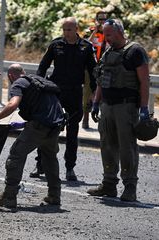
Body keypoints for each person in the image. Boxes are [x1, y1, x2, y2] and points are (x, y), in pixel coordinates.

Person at [87, 19, 150, 202]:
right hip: (107, 106)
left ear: (119, 33)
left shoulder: (135, 51)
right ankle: (109, 184)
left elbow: (144, 81)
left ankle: (130, 187)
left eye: (108, 34)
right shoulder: (108, 51)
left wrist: (144, 109)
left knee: (127, 148)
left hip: (126, 106)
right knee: (107, 145)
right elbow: (101, 80)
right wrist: (96, 103)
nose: (105, 38)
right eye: (104, 34)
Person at [0, 64, 64, 208]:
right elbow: (43, 106)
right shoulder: (38, 81)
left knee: (16, 155)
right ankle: (54, 195)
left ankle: (8, 197)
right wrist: (23, 124)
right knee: (49, 157)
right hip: (55, 125)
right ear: (24, 72)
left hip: (40, 126)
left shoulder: (18, 83)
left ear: (10, 76)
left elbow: (13, 104)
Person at [34, 17, 97, 181]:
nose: (66, 33)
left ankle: (70, 168)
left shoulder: (86, 47)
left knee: (72, 130)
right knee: (47, 127)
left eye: (69, 29)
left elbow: (93, 72)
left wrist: (94, 93)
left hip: (75, 92)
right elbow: (43, 66)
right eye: (64, 30)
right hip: (55, 91)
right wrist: (39, 85)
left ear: (76, 29)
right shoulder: (55, 45)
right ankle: (40, 164)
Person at [82, 11, 108, 129]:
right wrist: (95, 31)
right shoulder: (90, 30)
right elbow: (85, 44)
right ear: (96, 19)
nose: (102, 22)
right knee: (87, 94)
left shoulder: (110, 31)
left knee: (104, 94)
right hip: (90, 67)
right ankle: (85, 120)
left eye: (104, 19)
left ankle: (104, 122)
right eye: (100, 19)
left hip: (104, 67)